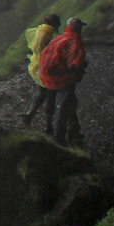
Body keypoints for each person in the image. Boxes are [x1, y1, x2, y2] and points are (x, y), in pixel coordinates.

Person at [37, 17, 87, 145]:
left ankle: (73, 130)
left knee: (70, 101)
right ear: (78, 28)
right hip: (61, 77)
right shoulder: (74, 41)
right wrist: (80, 69)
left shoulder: (59, 38)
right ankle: (59, 137)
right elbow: (74, 63)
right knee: (65, 104)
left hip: (46, 74)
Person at [21, 13, 62, 132]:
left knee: (41, 92)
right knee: (51, 95)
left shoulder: (38, 30)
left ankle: (30, 114)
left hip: (37, 65)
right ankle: (48, 125)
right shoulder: (52, 33)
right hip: (48, 67)